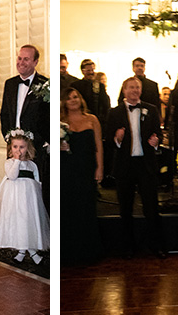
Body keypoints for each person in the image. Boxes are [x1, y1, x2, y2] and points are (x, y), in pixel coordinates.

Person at [107, 76, 164, 258]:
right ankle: (128, 247)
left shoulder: (152, 109)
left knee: (151, 207)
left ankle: (155, 245)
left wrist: (156, 142)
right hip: (125, 165)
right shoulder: (115, 113)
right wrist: (117, 139)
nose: (134, 90)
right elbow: (109, 139)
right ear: (124, 90)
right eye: (131, 87)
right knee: (125, 209)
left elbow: (159, 134)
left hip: (146, 165)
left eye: (137, 87)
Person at [0, 130, 49, 263]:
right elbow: (13, 175)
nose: (18, 150)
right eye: (15, 147)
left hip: (28, 199)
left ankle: (25, 253)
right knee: (18, 222)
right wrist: (17, 161)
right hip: (14, 198)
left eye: (22, 147)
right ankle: (30, 254)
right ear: (10, 148)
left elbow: (38, 182)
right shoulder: (9, 163)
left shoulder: (32, 165)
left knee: (27, 223)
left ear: (27, 148)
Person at [0, 44, 49, 208]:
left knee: (36, 191)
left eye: (26, 59)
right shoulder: (10, 84)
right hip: (14, 148)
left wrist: (43, 142)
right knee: (14, 190)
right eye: (19, 58)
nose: (21, 62)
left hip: (36, 149)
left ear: (35, 62)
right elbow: (4, 114)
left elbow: (48, 117)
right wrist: (9, 139)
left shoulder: (46, 85)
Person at [60, 88, 103, 265]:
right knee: (68, 209)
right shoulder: (60, 121)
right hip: (67, 170)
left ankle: (88, 251)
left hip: (87, 169)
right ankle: (69, 252)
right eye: (69, 98)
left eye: (76, 97)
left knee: (86, 207)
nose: (73, 100)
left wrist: (100, 168)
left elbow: (99, 146)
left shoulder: (92, 119)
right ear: (63, 102)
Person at [71, 59, 110, 126]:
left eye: (93, 70)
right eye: (88, 70)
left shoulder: (100, 86)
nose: (91, 72)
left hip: (98, 120)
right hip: (80, 120)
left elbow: (105, 104)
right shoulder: (75, 86)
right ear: (83, 71)